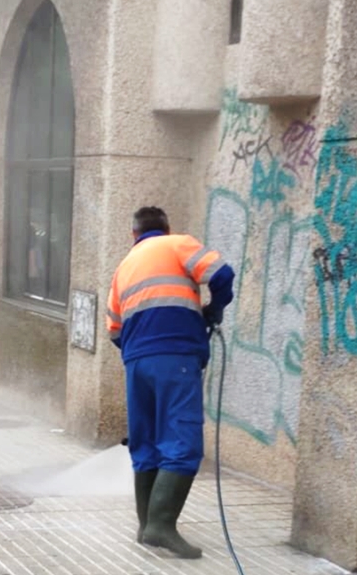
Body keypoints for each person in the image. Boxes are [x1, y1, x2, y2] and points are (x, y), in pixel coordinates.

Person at [106, 206, 235, 559]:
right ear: (165, 228)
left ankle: (146, 524)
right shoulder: (178, 244)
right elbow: (222, 274)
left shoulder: (124, 267)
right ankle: (161, 525)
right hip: (175, 357)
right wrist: (214, 309)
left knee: (145, 440)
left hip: (136, 362)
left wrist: (142, 351)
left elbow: (113, 330)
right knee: (182, 438)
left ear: (134, 235)